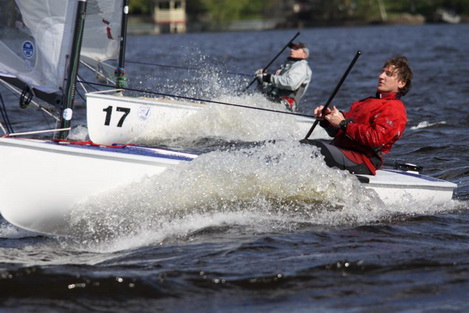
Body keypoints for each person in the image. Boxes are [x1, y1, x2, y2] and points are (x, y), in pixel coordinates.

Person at [300, 56, 413, 175]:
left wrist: (343, 124)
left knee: (310, 148)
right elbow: (337, 131)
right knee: (297, 145)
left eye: (388, 74)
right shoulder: (365, 102)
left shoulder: (395, 108)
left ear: (401, 83)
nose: (381, 76)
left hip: (362, 160)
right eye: (382, 72)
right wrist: (327, 118)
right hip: (343, 150)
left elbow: (377, 139)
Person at [255, 42, 312, 112]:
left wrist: (268, 78)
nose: (292, 50)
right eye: (292, 48)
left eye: (296, 48)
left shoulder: (301, 66)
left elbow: (291, 84)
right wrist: (262, 79)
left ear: (304, 55)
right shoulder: (286, 66)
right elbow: (272, 85)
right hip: (273, 101)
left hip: (284, 106)